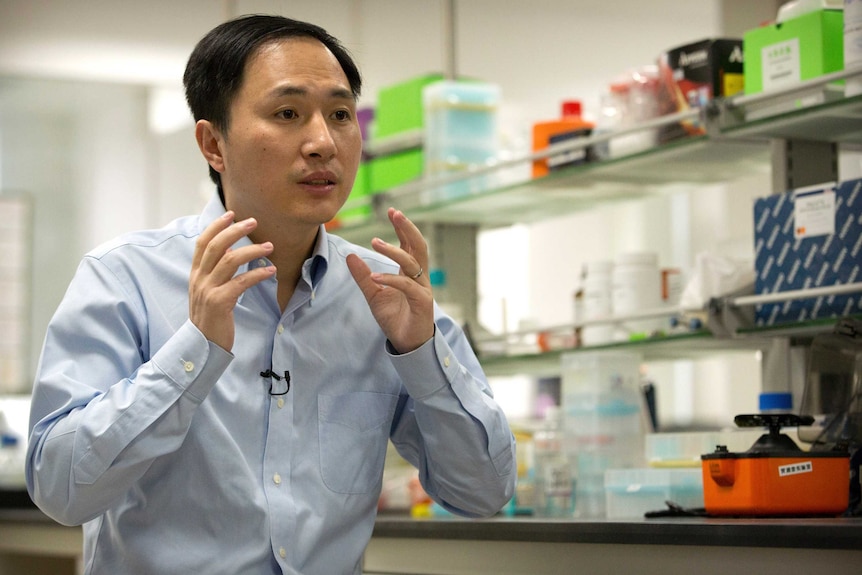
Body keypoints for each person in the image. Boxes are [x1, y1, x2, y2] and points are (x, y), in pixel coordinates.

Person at [25, 14, 516, 575]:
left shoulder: (385, 294)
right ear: (214, 143)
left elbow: (484, 493)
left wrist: (423, 353)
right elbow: (60, 490)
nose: (322, 142)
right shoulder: (125, 278)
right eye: (287, 113)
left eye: (339, 114)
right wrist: (192, 354)